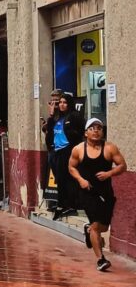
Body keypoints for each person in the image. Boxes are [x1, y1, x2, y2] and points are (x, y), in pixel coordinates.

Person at [69, 118, 127, 272]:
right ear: (86, 133)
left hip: (105, 192)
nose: (96, 131)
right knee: (96, 226)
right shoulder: (78, 149)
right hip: (87, 192)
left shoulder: (109, 148)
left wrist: (109, 173)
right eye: (92, 128)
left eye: (99, 128)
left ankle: (89, 229)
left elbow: (122, 165)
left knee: (104, 227)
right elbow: (71, 167)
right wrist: (81, 180)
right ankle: (101, 259)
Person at [45, 92, 84, 220]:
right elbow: (49, 130)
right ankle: (61, 204)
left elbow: (80, 132)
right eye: (60, 102)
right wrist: (51, 115)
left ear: (69, 104)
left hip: (68, 151)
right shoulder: (58, 118)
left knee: (68, 179)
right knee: (60, 180)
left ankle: (70, 205)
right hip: (56, 151)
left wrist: (71, 135)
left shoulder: (74, 116)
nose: (62, 105)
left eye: (64, 102)